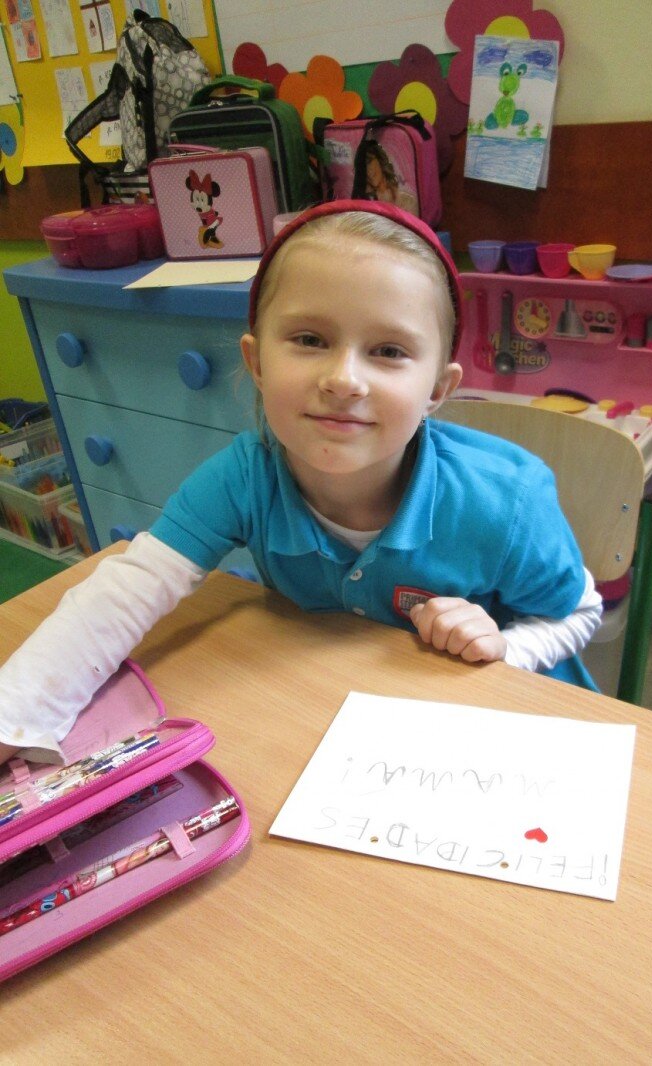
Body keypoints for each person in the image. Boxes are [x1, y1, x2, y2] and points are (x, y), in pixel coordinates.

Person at [0, 200, 601, 768]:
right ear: (257, 363)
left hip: (504, 735)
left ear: (437, 390)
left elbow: (579, 611)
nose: (344, 380)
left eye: (388, 350)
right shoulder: (245, 475)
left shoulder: (506, 498)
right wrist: (16, 716)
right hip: (342, 722)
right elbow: (129, 589)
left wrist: (506, 649)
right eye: (310, 340)